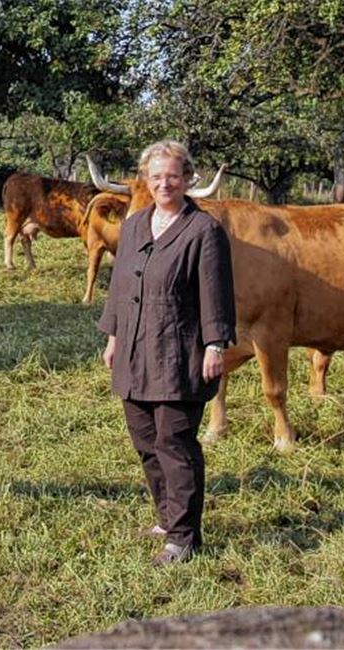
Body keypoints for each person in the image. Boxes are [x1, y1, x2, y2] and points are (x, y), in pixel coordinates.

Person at [99, 140, 236, 565]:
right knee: (144, 440)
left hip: (178, 351)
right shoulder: (136, 224)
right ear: (146, 180)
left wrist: (214, 344)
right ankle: (167, 515)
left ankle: (183, 537)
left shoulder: (204, 231)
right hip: (135, 348)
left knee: (174, 442)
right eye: (156, 177)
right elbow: (120, 285)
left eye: (173, 176)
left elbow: (216, 293)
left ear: (188, 179)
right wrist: (113, 336)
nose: (165, 184)